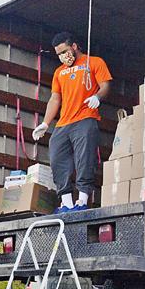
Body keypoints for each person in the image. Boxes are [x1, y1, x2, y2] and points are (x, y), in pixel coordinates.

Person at [32, 31, 112, 213]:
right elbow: (55, 98)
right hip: (63, 123)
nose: (62, 56)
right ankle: (66, 203)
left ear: (74, 46)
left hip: (85, 118)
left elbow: (106, 85)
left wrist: (98, 97)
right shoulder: (59, 72)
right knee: (57, 158)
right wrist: (45, 123)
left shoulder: (94, 62)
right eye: (59, 54)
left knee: (84, 159)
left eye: (65, 51)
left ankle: (82, 200)